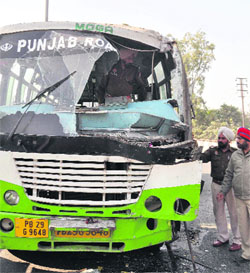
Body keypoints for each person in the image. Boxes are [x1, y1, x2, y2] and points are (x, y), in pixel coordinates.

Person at [201, 127, 241, 251]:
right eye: (219, 137)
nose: (220, 140)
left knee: (234, 213)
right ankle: (223, 237)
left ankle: (238, 240)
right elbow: (201, 158)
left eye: (223, 138)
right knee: (218, 212)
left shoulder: (235, 153)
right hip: (216, 185)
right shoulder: (212, 151)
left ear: (228, 140)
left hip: (231, 186)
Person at [217, 127, 250, 263]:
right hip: (239, 197)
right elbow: (229, 174)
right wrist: (223, 191)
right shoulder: (236, 155)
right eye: (237, 138)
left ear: (248, 140)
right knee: (243, 227)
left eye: (240, 139)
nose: (237, 141)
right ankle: (247, 252)